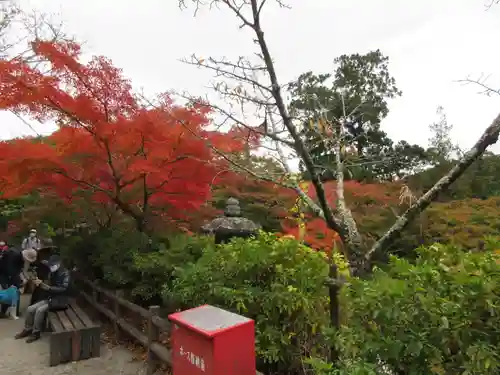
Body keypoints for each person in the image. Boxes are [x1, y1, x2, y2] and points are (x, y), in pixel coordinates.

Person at [15, 255, 70, 343]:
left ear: (58, 264)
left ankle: (36, 333)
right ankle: (27, 329)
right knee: (30, 309)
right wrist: (40, 283)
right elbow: (48, 283)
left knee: (40, 310)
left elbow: (64, 288)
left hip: (60, 300)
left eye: (53, 265)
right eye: (50, 265)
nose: (51, 267)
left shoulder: (65, 273)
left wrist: (49, 288)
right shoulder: (52, 272)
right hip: (50, 298)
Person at [0, 248, 37, 318]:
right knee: (8, 292)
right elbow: (11, 271)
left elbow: (18, 270)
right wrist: (18, 283)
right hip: (3, 273)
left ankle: (5, 311)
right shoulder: (14, 256)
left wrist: (21, 280)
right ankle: (4, 312)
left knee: (13, 291)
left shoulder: (20, 258)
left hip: (8, 274)